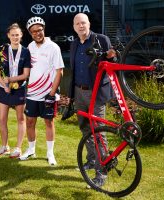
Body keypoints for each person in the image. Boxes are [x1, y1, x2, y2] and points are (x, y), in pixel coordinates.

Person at [68, 13, 114, 186]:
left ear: (89, 24)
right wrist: (72, 96)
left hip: (96, 94)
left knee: (99, 132)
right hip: (79, 92)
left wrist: (112, 56)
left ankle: (101, 173)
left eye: (83, 23)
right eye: (78, 23)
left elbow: (112, 62)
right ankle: (92, 160)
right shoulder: (74, 44)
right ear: (74, 27)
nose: (81, 26)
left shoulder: (101, 39)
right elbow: (72, 71)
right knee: (85, 128)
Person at [19, 16, 64, 166]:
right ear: (30, 33)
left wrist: (52, 94)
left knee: (48, 122)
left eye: (39, 30)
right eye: (33, 32)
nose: (37, 33)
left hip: (47, 94)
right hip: (32, 93)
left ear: (43, 29)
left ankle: (50, 153)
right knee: (30, 122)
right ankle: (31, 149)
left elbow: (60, 72)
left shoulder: (53, 47)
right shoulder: (30, 47)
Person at [0, 23, 31, 158]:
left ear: (21, 35)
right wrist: (3, 83)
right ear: (8, 35)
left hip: (20, 89)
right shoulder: (2, 50)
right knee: (2, 119)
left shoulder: (26, 51)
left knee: (21, 119)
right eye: (12, 35)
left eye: (17, 35)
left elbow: (26, 74)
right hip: (4, 89)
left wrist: (10, 80)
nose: (15, 37)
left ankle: (18, 148)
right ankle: (5, 146)